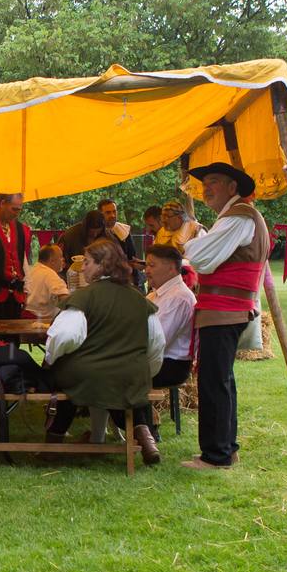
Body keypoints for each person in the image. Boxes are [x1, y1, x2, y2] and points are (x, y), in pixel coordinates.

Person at [181, 162, 270, 470]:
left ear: (233, 188)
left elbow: (199, 257)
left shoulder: (239, 217)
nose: (207, 187)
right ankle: (225, 449)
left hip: (224, 310)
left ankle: (216, 455)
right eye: (205, 182)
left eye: (214, 181)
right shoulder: (234, 217)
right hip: (224, 310)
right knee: (221, 381)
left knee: (213, 382)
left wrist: (189, 245)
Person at [42, 238, 163, 463]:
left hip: (89, 375)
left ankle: (53, 443)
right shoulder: (139, 298)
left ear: (102, 264)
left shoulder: (83, 297)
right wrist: (145, 371)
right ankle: (144, 435)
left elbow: (65, 336)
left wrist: (51, 358)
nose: (83, 267)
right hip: (130, 375)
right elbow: (157, 343)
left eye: (87, 262)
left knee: (65, 378)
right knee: (119, 383)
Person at [106, 243, 195, 450]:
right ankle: (132, 430)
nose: (146, 270)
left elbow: (157, 341)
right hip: (153, 358)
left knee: (110, 372)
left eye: (153, 265)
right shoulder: (156, 294)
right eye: (147, 265)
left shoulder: (179, 297)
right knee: (104, 367)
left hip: (170, 364)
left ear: (172, 268)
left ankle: (143, 430)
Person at [24, 244, 70, 319]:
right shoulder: (50, 274)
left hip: (26, 315)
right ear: (52, 261)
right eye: (61, 257)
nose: (63, 260)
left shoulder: (32, 270)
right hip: (41, 321)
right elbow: (65, 298)